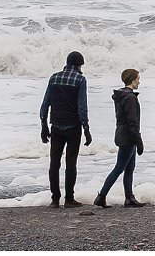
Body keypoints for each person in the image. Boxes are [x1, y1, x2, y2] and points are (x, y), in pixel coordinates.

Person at [38, 51, 92, 207]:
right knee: (71, 163)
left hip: (55, 126)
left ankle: (55, 199)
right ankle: (69, 199)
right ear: (79, 65)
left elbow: (45, 103)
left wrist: (43, 125)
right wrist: (86, 128)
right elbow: (82, 106)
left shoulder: (54, 77)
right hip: (73, 127)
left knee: (54, 163)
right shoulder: (80, 79)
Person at [94, 67, 144, 207]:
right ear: (133, 79)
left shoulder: (122, 95)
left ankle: (129, 198)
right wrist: (139, 141)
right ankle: (101, 196)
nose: (139, 82)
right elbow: (132, 122)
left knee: (129, 168)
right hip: (128, 137)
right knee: (119, 168)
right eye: (138, 79)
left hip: (123, 135)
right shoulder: (129, 98)